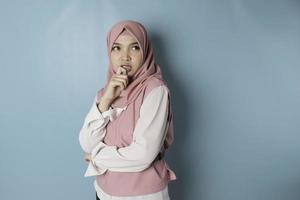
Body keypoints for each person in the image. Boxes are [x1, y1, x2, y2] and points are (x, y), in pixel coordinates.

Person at [79, 20, 177, 200]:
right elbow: (86, 143)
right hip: (103, 190)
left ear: (145, 51)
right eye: (116, 48)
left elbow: (143, 155)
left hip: (142, 195)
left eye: (134, 48)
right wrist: (107, 100)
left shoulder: (155, 90)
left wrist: (96, 157)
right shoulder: (105, 92)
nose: (124, 57)